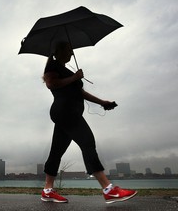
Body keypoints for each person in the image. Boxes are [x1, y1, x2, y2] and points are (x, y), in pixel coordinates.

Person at [41, 41, 137, 204]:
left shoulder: (65, 69)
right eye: (69, 50)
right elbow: (51, 84)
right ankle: (108, 189)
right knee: (87, 142)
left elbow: (81, 92)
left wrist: (102, 102)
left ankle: (47, 190)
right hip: (66, 112)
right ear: (59, 51)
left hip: (67, 113)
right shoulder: (53, 67)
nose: (72, 54)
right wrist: (75, 77)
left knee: (56, 151)